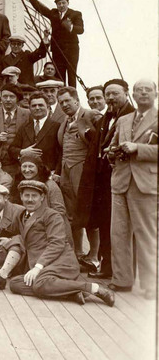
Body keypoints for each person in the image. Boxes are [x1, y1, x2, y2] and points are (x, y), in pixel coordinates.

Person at [6, 181, 114, 306]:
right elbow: (9, 230)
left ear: (42, 197)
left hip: (60, 263)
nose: (30, 199)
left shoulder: (52, 215)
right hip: (42, 268)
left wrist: (38, 267)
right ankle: (71, 292)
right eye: (27, 195)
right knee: (15, 284)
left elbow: (56, 243)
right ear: (21, 196)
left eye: (34, 196)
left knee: (39, 285)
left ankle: (93, 288)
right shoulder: (21, 215)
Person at [76, 79, 135, 279]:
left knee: (122, 228)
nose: (110, 98)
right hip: (103, 181)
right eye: (107, 94)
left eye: (114, 93)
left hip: (123, 180)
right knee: (105, 224)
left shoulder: (132, 116)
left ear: (126, 93)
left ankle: (122, 271)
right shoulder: (107, 117)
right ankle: (107, 267)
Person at [108, 79, 158, 298]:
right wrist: (112, 151)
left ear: (156, 94)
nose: (143, 93)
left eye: (148, 90)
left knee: (147, 234)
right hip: (121, 181)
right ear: (133, 96)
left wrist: (138, 148)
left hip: (145, 183)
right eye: (139, 90)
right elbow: (117, 143)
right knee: (118, 232)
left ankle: (151, 285)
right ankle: (122, 280)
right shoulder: (124, 119)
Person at [54, 86, 100, 259]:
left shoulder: (90, 115)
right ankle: (78, 252)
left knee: (89, 214)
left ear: (76, 100)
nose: (64, 105)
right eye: (61, 102)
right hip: (67, 173)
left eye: (67, 101)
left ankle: (94, 255)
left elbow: (98, 141)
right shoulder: (65, 121)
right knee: (72, 214)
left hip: (84, 172)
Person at [28, 0, 84, 87]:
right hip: (57, 49)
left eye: (63, 3)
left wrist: (70, 27)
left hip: (71, 50)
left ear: (68, 3)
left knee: (71, 74)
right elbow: (40, 8)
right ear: (57, 5)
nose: (61, 5)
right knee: (59, 74)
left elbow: (81, 30)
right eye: (59, 4)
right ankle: (61, 95)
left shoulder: (76, 14)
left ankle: (72, 94)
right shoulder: (53, 13)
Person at [9, 91, 61, 172]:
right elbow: (12, 149)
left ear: (47, 106)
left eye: (40, 105)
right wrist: (23, 152)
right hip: (27, 173)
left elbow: (62, 153)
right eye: (34, 106)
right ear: (29, 108)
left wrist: (57, 172)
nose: (37, 108)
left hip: (49, 173)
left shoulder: (57, 126)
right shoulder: (24, 127)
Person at [0, 83, 30, 176]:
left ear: (17, 99)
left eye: (11, 97)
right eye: (5, 96)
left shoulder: (27, 114)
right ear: (0, 98)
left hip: (19, 162)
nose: (8, 99)